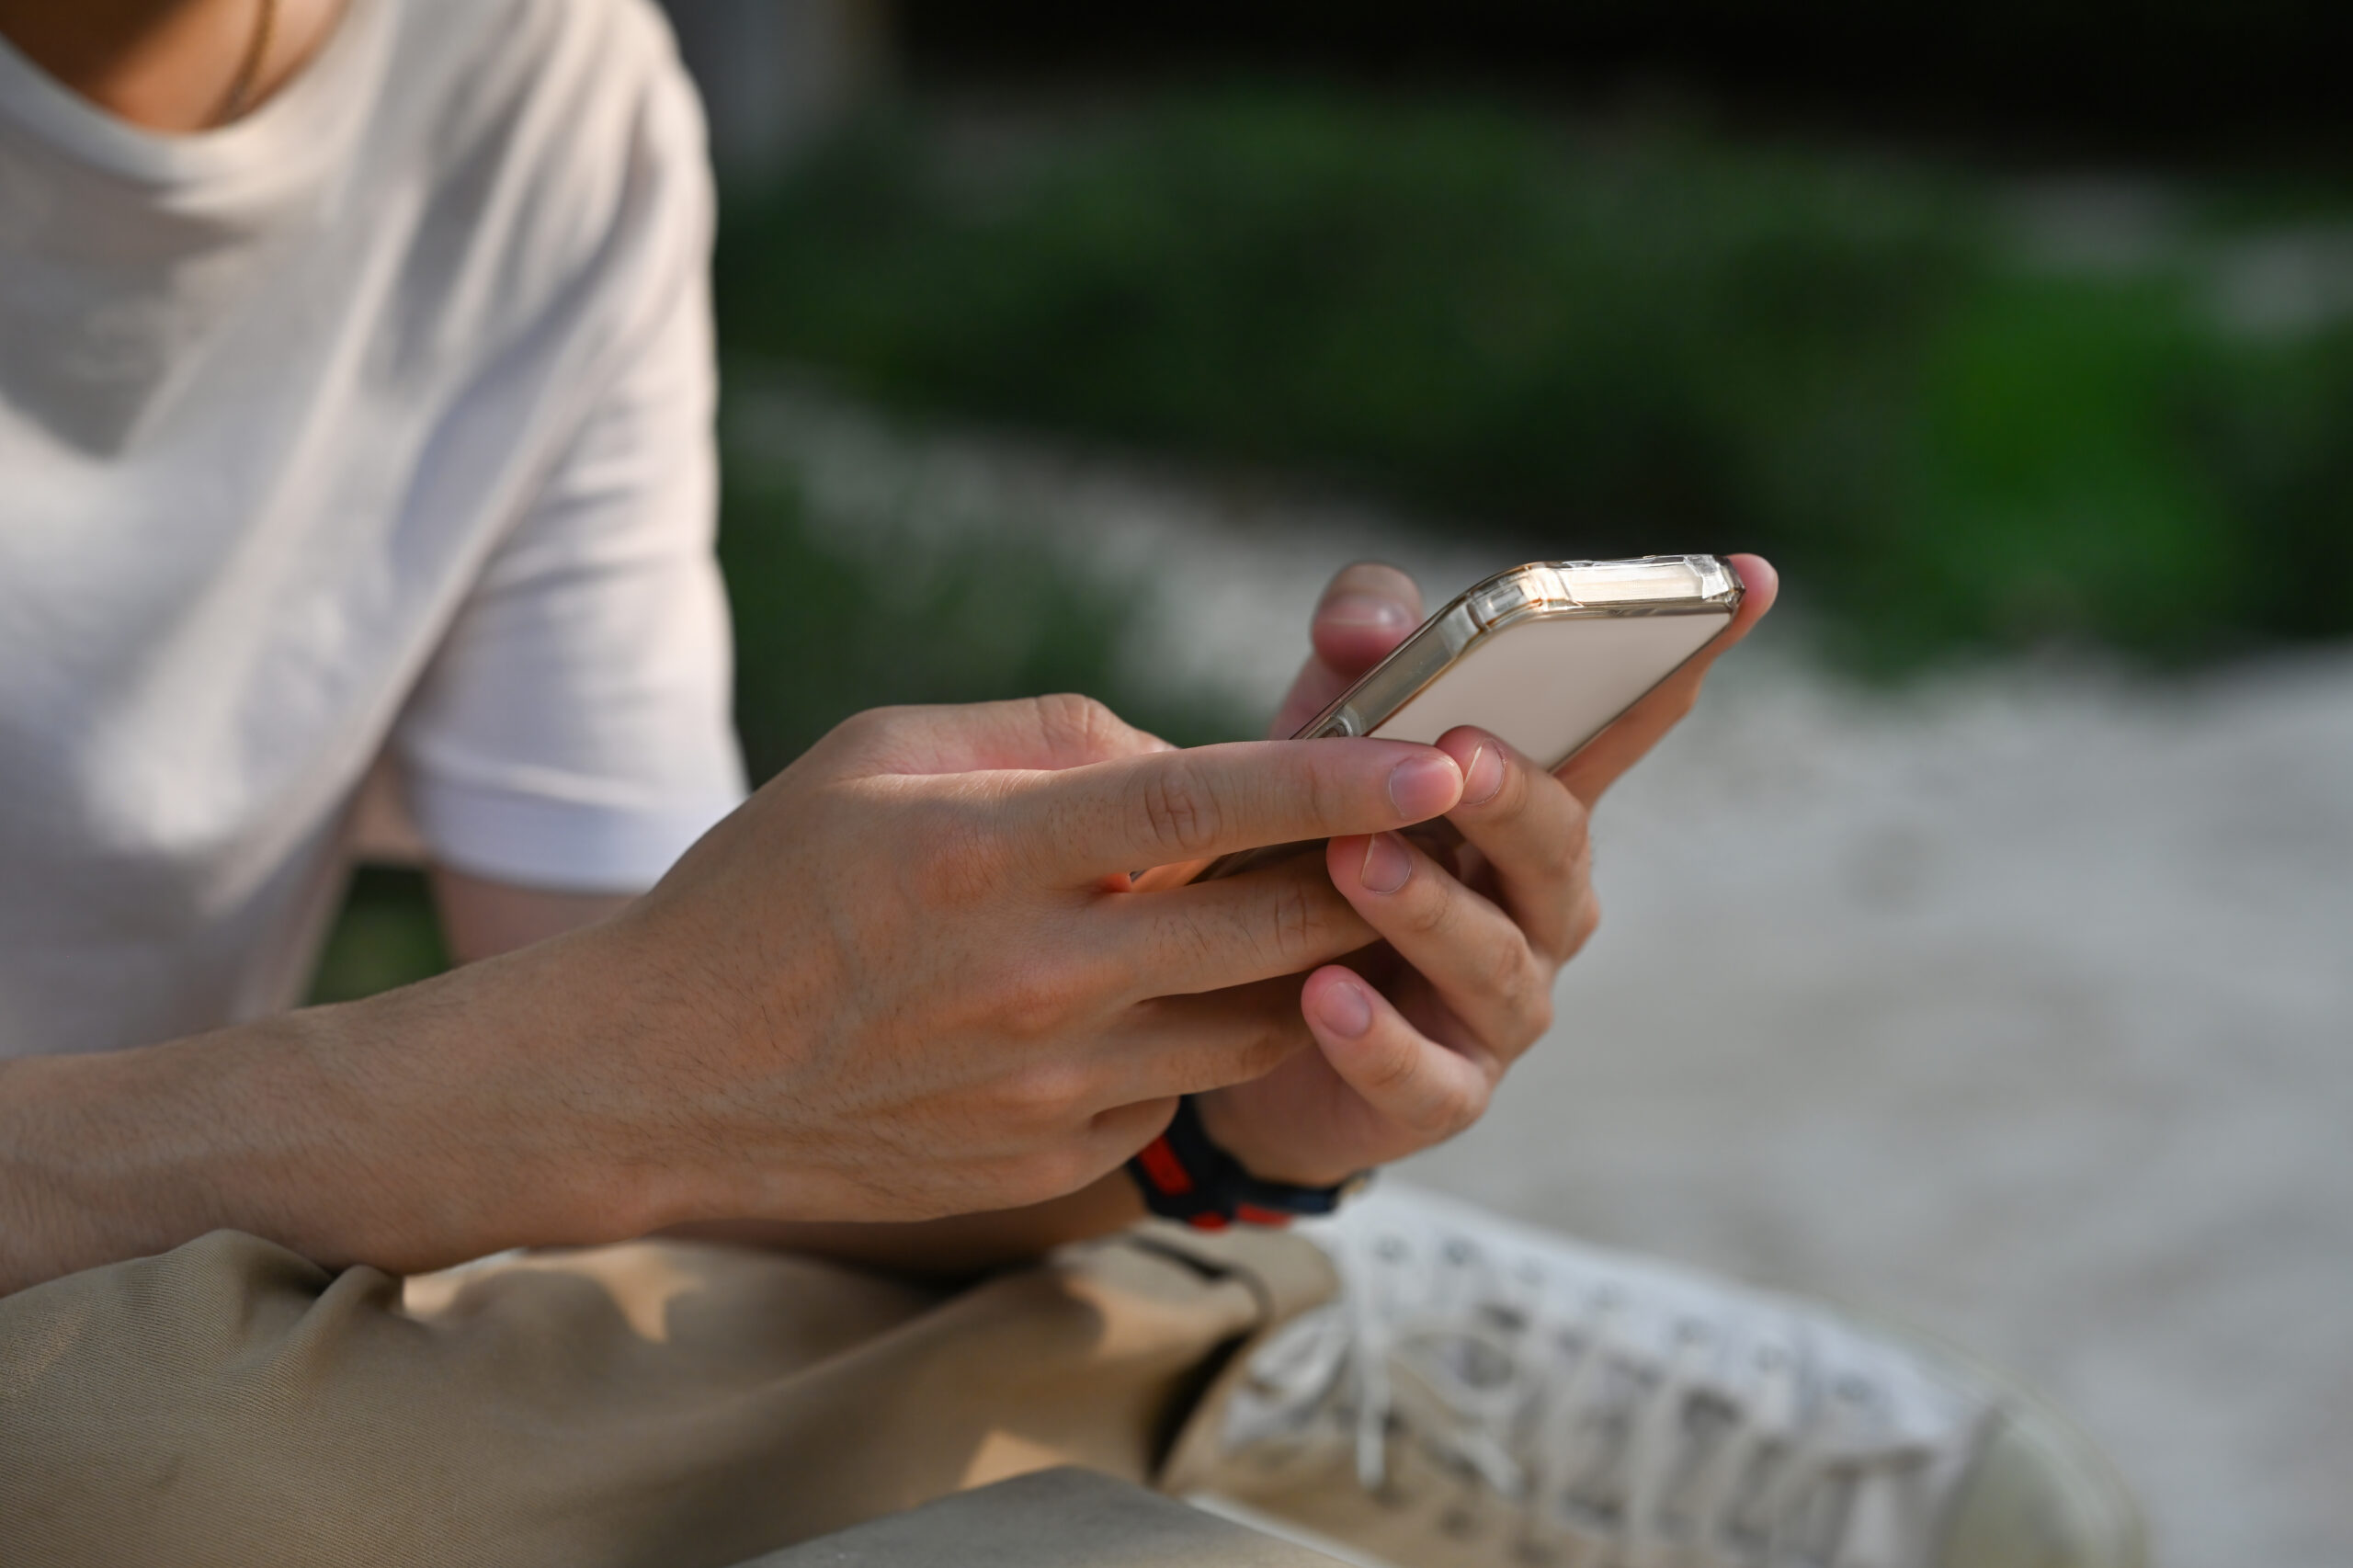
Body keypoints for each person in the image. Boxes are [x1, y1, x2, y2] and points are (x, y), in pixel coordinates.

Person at [0, 2, 2143, 1565]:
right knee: (155, 1474)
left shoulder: (528, 84)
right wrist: (558, 1074)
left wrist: (1192, 1102)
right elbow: (565, 1079)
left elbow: (646, 1088)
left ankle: (1192, 1279)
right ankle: (1187, 1355)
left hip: (212, 1262)